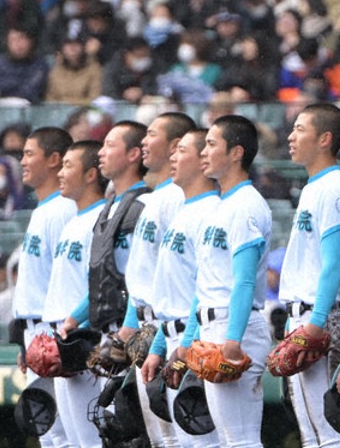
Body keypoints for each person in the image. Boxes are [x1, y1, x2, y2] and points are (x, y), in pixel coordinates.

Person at [179, 115, 273, 447]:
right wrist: (191, 337)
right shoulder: (222, 206)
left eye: (211, 144)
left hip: (235, 326)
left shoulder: (246, 205)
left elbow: (245, 281)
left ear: (236, 153)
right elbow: (205, 282)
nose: (204, 152)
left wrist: (233, 339)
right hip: (214, 323)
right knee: (229, 439)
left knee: (241, 439)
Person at [282, 103, 340, 447]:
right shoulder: (316, 185)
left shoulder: (333, 187)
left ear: (325, 138)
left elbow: (333, 263)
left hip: (322, 315)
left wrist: (315, 322)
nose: (291, 136)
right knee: (314, 435)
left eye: (300, 129)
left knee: (330, 434)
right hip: (309, 313)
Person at [141, 127, 222, 447]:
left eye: (183, 151)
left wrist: (187, 342)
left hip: (198, 337)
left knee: (207, 442)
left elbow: (202, 288)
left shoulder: (210, 211)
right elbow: (170, 293)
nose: (173, 157)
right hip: (173, 334)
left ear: (204, 160)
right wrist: (159, 347)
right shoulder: (184, 210)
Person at [126, 113, 194, 444]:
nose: (143, 142)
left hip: (167, 327)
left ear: (174, 147)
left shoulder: (178, 197)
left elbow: (179, 273)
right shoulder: (157, 197)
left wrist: (162, 340)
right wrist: (130, 323)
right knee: (161, 439)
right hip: (149, 325)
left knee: (176, 439)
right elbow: (144, 270)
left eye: (151, 134)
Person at [13, 127, 78, 448]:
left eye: (29, 153)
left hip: (52, 329)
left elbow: (69, 279)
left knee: (63, 435)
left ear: (54, 159)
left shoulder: (64, 210)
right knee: (50, 434)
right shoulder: (44, 209)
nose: (22, 161)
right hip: (34, 329)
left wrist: (55, 336)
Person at [42, 140, 107, 447]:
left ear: (91, 174)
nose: (61, 173)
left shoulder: (100, 220)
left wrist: (78, 330)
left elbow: (102, 286)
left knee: (93, 441)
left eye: (69, 166)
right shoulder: (74, 220)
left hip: (85, 339)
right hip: (64, 335)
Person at [59, 121, 150, 339]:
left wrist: (130, 325)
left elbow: (140, 278)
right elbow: (102, 279)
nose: (101, 153)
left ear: (133, 154)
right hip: (107, 330)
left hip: (133, 329)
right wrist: (74, 320)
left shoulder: (145, 203)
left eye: (110, 146)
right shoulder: (108, 207)